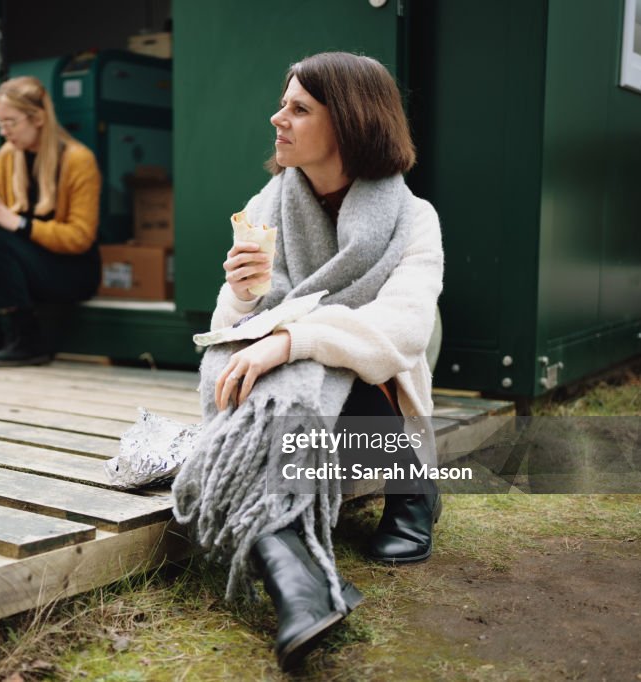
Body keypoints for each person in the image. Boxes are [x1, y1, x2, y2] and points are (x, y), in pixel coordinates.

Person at [172, 52, 444, 671]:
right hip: (293, 421)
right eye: (283, 103)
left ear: (350, 122)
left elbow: (401, 331)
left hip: (375, 409)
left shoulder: (413, 219)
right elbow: (225, 335)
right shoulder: (265, 207)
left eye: (299, 109)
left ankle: (414, 489)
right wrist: (247, 294)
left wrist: (292, 338)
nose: (278, 118)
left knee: (328, 359)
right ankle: (297, 578)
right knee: (265, 381)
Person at [0, 76, 101, 367]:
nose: (5, 131)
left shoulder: (78, 160)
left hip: (71, 271)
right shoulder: (8, 156)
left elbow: (80, 236)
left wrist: (19, 224)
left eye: (11, 122)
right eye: (0, 124)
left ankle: (28, 339)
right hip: (27, 261)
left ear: (37, 118)